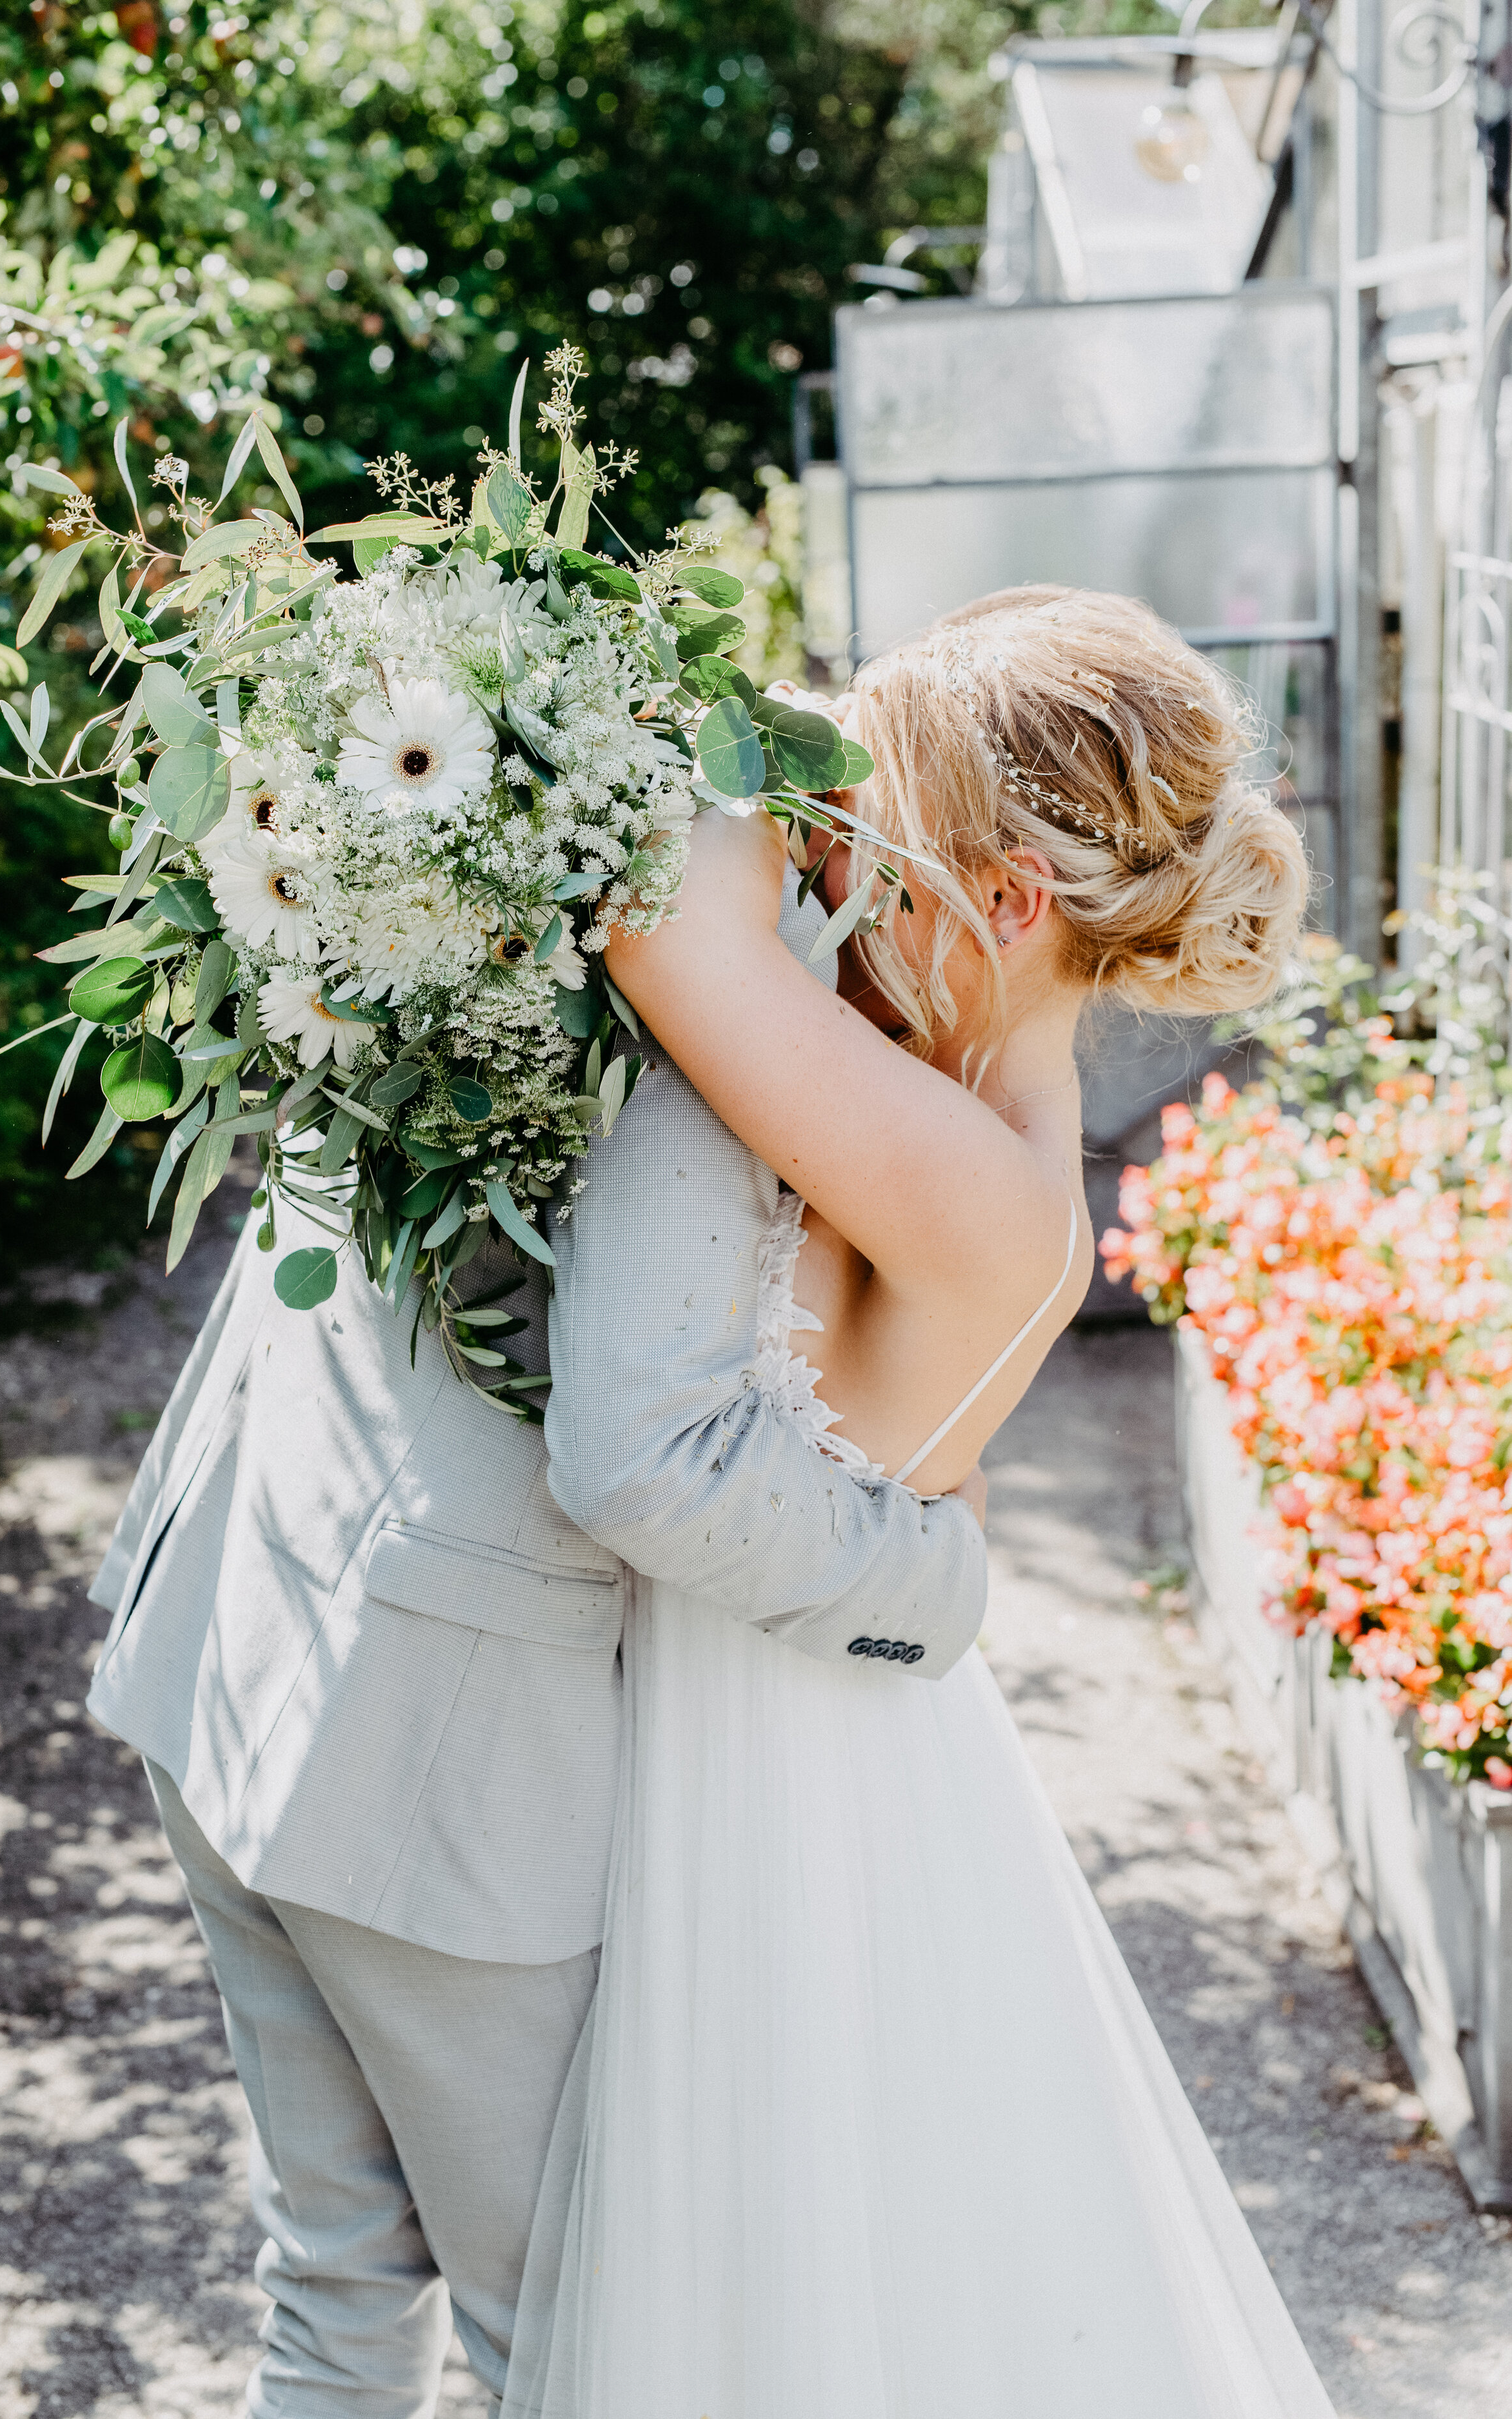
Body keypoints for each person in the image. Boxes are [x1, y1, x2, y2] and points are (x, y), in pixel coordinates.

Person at [500, 586, 1335, 2419]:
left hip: (775, 1783)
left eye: (866, 846)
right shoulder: (968, 1114)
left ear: (1007, 904)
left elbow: (663, 935)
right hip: (810, 1721)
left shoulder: (973, 1176)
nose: (827, 873)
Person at [81, 744, 987, 2403]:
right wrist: (929, 1588)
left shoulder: (529, 781)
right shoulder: (731, 957)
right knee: (558, 2337)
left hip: (230, 1618)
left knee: (337, 2285)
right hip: (437, 1760)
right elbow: (641, 1452)